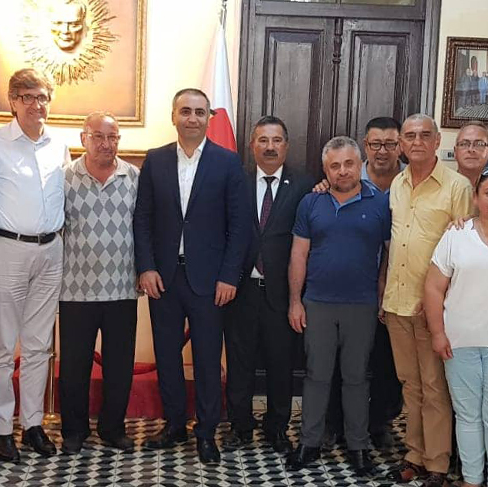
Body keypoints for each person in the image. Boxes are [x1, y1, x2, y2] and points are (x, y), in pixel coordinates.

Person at [133, 88, 249, 465]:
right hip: (164, 278)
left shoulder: (227, 162)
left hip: (210, 281)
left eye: (200, 112)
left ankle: (207, 432)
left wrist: (230, 276)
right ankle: (174, 425)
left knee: (207, 359)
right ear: (174, 116)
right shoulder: (156, 160)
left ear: (209, 118)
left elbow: (239, 226)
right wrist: (146, 266)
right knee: (167, 356)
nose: (192, 118)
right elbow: (142, 218)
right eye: (185, 111)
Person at [286, 137, 390, 476]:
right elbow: (298, 254)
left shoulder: (381, 203)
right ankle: (309, 442)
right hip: (318, 304)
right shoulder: (311, 203)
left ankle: (358, 446)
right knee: (316, 375)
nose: (342, 171)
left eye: (348, 164)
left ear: (360, 164)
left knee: (356, 378)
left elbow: (390, 253)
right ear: (325, 169)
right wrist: (295, 301)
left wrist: (383, 293)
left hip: (362, 305)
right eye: (334, 165)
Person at [383, 114, 472, 487]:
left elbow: (466, 252)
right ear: (401, 144)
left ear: (437, 141)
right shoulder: (397, 183)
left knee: (435, 387)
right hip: (396, 302)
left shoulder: (457, 186)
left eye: (424, 135)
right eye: (410, 136)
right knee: (411, 385)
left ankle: (437, 463)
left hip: (432, 307)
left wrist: (441, 301)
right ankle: (414, 455)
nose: (416, 141)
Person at [0, 68, 68, 461]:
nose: (36, 105)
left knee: (39, 345)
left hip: (51, 250)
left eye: (42, 97)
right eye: (27, 97)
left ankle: (33, 424)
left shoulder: (59, 144)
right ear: (13, 102)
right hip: (9, 249)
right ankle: (1, 430)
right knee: (2, 346)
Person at [222, 115, 313, 453]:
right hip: (240, 290)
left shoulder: (305, 186)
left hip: (283, 292)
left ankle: (277, 428)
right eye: (263, 140)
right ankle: (240, 426)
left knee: (280, 364)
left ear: (286, 146)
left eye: (276, 140)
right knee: (240, 363)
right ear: (252, 146)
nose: (270, 147)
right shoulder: (236, 181)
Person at [425, 166, 488, 487]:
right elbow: (433, 288)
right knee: (467, 417)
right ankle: (472, 480)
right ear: (475, 198)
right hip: (459, 343)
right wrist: (437, 333)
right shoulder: (456, 236)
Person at [58, 112, 139, 454]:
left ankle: (113, 428)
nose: (107, 144)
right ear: (84, 138)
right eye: (99, 136)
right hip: (75, 289)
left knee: (120, 366)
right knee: (74, 366)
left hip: (122, 287)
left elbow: (144, 228)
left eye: (113, 137)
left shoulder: (133, 177)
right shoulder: (64, 178)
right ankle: (74, 430)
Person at [323, 117, 405, 450]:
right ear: (365, 146)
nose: (382, 151)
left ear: (400, 146)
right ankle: (333, 423)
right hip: (350, 288)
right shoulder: (346, 178)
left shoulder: (411, 182)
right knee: (338, 360)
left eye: (390, 144)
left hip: (396, 288)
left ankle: (379, 423)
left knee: (387, 360)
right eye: (375, 144)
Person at [454, 120, 488, 187]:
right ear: (455, 152)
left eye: (479, 144)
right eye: (464, 144)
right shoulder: (441, 188)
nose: (471, 149)